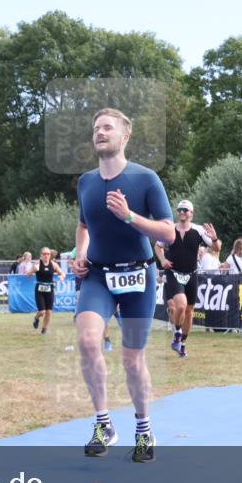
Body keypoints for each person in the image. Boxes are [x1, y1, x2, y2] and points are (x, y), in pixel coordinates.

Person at [72, 108, 174, 463]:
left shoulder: (146, 179)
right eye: (96, 128)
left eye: (108, 128)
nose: (100, 133)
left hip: (138, 277)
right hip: (98, 275)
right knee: (88, 341)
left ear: (125, 136)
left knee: (132, 361)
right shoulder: (86, 182)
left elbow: (168, 233)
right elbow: (83, 225)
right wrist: (80, 254)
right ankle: (103, 425)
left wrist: (129, 216)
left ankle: (144, 429)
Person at [154, 199, 216, 359]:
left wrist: (215, 239)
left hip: (192, 274)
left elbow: (216, 248)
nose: (182, 212)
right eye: (179, 210)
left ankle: (182, 343)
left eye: (185, 210)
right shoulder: (170, 229)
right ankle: (177, 334)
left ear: (191, 213)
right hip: (173, 273)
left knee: (189, 311)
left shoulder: (199, 230)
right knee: (180, 306)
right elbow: (158, 246)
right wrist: (163, 260)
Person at [28, 247, 65, 335]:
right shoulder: (37, 263)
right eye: (44, 254)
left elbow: (62, 273)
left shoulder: (53, 264)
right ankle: (36, 318)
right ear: (41, 255)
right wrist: (33, 270)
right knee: (42, 312)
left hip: (49, 289)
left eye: (48, 254)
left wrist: (61, 277)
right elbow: (28, 275)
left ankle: (44, 330)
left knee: (49, 312)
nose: (46, 255)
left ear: (50, 255)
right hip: (39, 290)